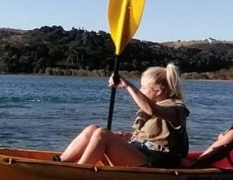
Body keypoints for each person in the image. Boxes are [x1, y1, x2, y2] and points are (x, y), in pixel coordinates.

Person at [57, 64, 189, 167]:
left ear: (158, 91)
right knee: (93, 129)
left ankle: (79, 171)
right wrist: (129, 137)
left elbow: (152, 110)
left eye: (143, 88)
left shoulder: (176, 109)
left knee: (102, 134)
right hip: (142, 153)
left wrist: (127, 85)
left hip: (156, 161)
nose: (140, 90)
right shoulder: (155, 106)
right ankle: (60, 162)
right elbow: (153, 137)